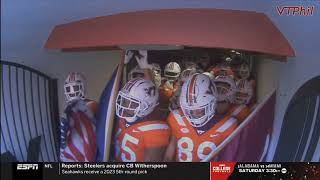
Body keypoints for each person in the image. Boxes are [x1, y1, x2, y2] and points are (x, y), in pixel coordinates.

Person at [164, 74, 240, 162]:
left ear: (212, 103)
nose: (195, 113)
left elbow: (228, 162)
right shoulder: (176, 118)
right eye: (190, 110)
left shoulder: (228, 126)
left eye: (200, 109)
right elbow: (168, 157)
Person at [115, 77, 170, 162]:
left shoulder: (154, 130)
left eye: (132, 103)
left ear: (147, 106)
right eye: (125, 100)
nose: (125, 106)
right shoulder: (124, 118)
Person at [60, 72, 97, 162]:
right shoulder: (66, 109)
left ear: (82, 87)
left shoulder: (92, 104)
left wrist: (86, 111)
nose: (72, 91)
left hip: (89, 149)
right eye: (69, 88)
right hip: (73, 151)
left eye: (75, 87)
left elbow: (98, 126)